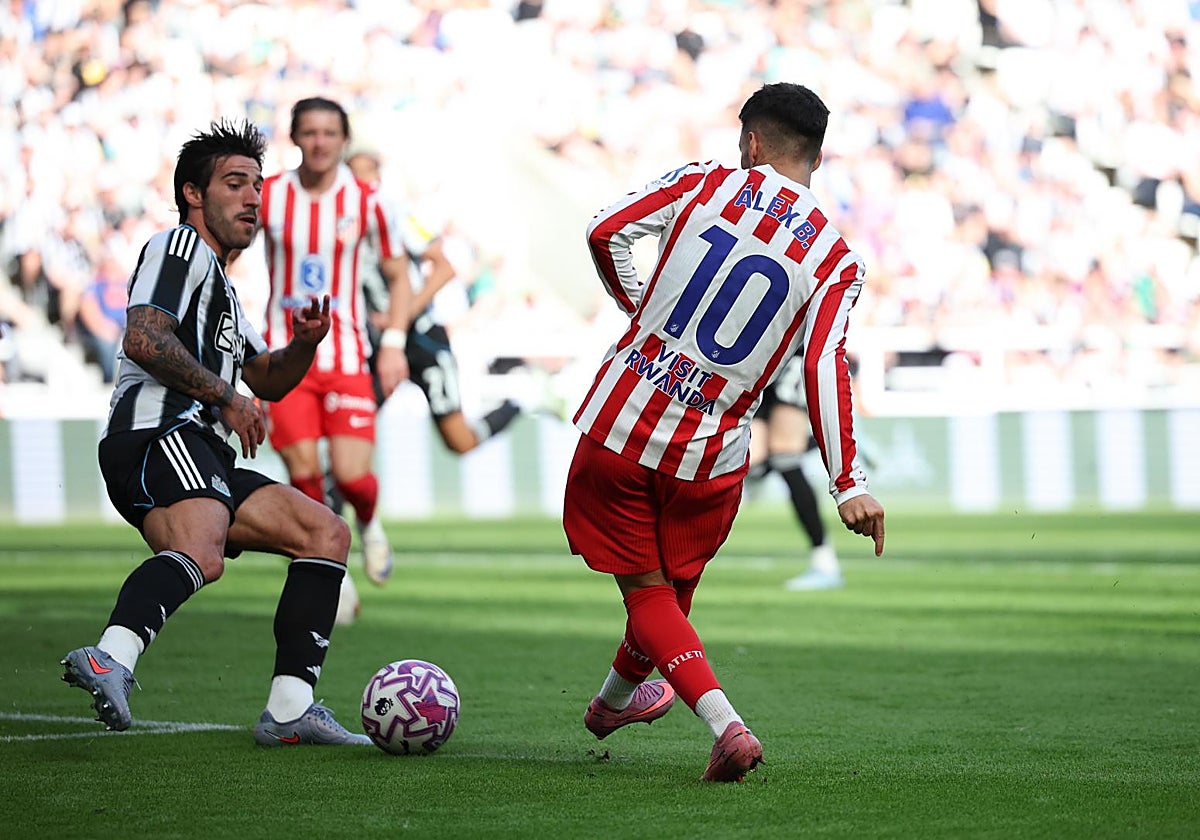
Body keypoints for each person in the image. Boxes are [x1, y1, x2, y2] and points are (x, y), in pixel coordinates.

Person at [564, 82, 886, 782]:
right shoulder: (837, 258)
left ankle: (727, 727)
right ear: (817, 158)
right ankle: (611, 704)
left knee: (649, 597)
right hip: (711, 450)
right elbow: (825, 363)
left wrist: (639, 307)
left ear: (751, 143)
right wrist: (849, 483)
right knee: (668, 597)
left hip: (625, 419)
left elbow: (604, 230)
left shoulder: (706, 181)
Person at [61, 118, 369, 746]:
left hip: (201, 447)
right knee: (204, 548)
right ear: (194, 194)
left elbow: (269, 378)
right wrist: (228, 397)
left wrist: (305, 346)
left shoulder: (224, 289)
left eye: (258, 184)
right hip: (157, 431)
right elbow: (144, 337)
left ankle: (288, 709)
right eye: (235, 183)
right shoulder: (180, 249)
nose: (254, 197)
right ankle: (109, 657)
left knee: (325, 533)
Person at [258, 98, 413, 601]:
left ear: (344, 140)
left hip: (347, 356)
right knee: (304, 480)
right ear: (295, 138)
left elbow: (398, 276)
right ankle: (335, 575)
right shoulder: (269, 196)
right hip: (285, 362)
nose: (320, 142)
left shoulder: (369, 200)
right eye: (310, 132)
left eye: (329, 133)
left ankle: (369, 523)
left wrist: (392, 343)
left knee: (352, 479)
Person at [344, 147, 521, 459]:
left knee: (460, 441)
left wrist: (402, 315)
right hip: (372, 344)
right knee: (350, 434)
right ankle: (341, 504)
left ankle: (519, 401)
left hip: (420, 336)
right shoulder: (338, 224)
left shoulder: (400, 217)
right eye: (354, 176)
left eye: (367, 176)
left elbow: (445, 268)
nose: (361, 184)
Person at [749, 349, 844, 590]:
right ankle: (815, 441)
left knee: (786, 458)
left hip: (795, 353)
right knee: (751, 459)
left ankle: (825, 562)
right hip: (757, 353)